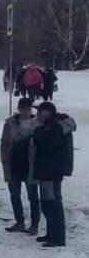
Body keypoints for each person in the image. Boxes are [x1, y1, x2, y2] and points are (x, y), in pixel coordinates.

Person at [32, 101, 75, 248]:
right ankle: (51, 233)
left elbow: (47, 143)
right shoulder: (52, 125)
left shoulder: (57, 126)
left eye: (40, 112)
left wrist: (38, 130)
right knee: (47, 203)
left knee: (53, 203)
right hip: (47, 170)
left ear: (48, 111)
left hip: (51, 170)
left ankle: (58, 237)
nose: (38, 115)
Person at [0, 97, 40, 234]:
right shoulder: (10, 124)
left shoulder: (37, 124)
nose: (26, 112)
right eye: (24, 109)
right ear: (19, 109)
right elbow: (4, 143)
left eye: (29, 109)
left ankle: (35, 224)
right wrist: (4, 159)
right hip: (14, 166)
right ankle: (20, 221)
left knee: (33, 196)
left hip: (31, 167)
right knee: (14, 195)